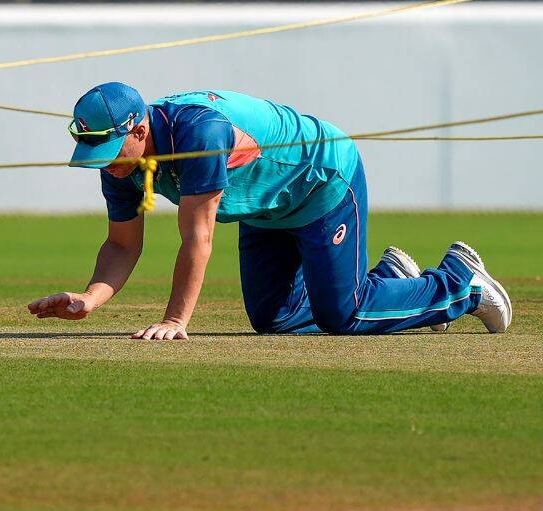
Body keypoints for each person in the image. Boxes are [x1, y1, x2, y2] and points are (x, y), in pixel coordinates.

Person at [27, 84, 511, 339]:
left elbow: (198, 238)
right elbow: (122, 243)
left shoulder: (199, 134)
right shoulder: (120, 166)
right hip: (264, 208)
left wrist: (176, 320)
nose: (105, 165)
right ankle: (391, 282)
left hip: (320, 181)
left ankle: (462, 284)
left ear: (137, 130)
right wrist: (91, 299)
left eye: (110, 150)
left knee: (343, 316)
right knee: (273, 320)